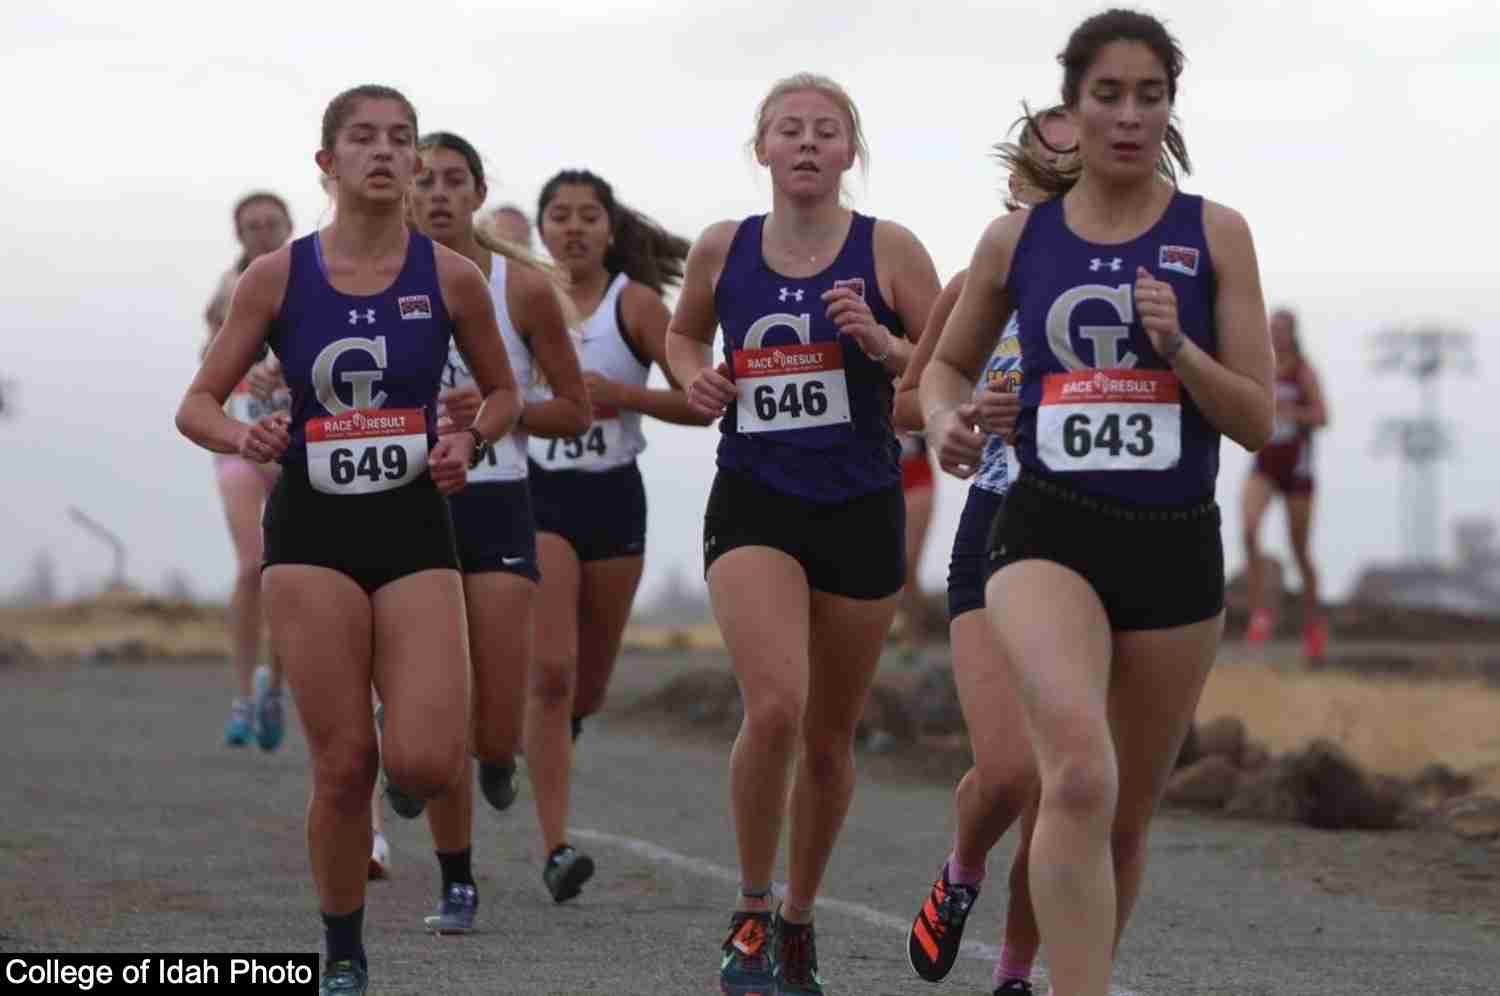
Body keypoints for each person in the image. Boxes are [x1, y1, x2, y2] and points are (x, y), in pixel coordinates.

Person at [918, 10, 1274, 994]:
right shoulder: (1016, 240)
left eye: (1150, 95)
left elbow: (1257, 420)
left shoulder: (1215, 234)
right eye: (1107, 95)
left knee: (1121, 817)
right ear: (1072, 107)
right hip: (1044, 534)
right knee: (1075, 773)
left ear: (1170, 107)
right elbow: (942, 366)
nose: (1128, 115)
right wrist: (949, 419)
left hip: (1173, 545)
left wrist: (1181, 351)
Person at [175, 84, 522, 996]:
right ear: (327, 165)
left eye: (399, 140)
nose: (383, 152)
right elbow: (196, 405)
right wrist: (241, 435)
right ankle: (343, 949)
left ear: (414, 164)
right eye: (361, 139)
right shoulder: (277, 277)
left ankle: (408, 733)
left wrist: (468, 437)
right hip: (312, 533)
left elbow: (503, 395)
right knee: (343, 765)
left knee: (424, 760)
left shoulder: (450, 276)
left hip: (413, 528)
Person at [667, 72, 940, 996]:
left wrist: (881, 342)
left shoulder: (889, 248)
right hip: (754, 497)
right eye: (792, 130)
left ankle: (797, 920)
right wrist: (696, 377)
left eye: (828, 131)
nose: (810, 144)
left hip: (862, 501)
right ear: (764, 151)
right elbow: (680, 341)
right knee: (775, 706)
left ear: (850, 152)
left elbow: (947, 366)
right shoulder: (722, 246)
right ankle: (749, 909)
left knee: (828, 737)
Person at [894, 106, 1075, 996]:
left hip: (1099, 536)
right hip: (998, 526)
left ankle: (1014, 973)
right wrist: (955, 416)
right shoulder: (982, 276)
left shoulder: (1152, 272)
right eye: (1047, 170)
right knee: (1006, 771)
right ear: (1018, 187)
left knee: (1061, 787)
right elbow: (913, 397)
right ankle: (962, 870)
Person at [405, 131, 590, 932]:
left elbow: (573, 411)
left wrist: (493, 417)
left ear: (480, 194)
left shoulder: (522, 287)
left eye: (454, 181)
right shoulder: (367, 282)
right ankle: (457, 880)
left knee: (492, 719)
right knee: (439, 704)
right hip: (406, 503)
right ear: (401, 194)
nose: (438, 194)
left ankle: (497, 753)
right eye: (424, 181)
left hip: (496, 500)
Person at [525, 168, 710, 902]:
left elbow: (700, 401)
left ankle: (537, 745)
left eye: (587, 216)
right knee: (552, 671)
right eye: (559, 216)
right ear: (539, 229)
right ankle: (555, 845)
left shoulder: (633, 304)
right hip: (536, 493)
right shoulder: (519, 296)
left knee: (587, 688)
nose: (573, 228)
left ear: (610, 228)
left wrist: (625, 395)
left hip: (612, 496)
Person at [203, 191, 293, 751]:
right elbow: (208, 363)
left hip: (291, 440)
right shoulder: (223, 293)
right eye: (251, 226)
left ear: (287, 226)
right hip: (239, 438)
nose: (261, 232)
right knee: (250, 567)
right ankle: (242, 695)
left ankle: (276, 687)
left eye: (270, 224)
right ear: (238, 235)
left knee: (284, 567)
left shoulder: (313, 280)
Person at [1242, 307, 1328, 658]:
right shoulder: (1261, 368)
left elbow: (1323, 416)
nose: (1275, 334)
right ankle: (1261, 612)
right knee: (1248, 529)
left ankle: (1313, 624)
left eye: (1281, 329)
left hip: (1298, 471)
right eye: (1270, 328)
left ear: (1293, 334)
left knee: (1299, 551)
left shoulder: (1304, 373)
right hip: (1264, 465)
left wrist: (1293, 414)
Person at [895, 431, 937, 643]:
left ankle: (914, 634)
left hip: (918, 481)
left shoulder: (913, 400)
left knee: (908, 562)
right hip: (881, 484)